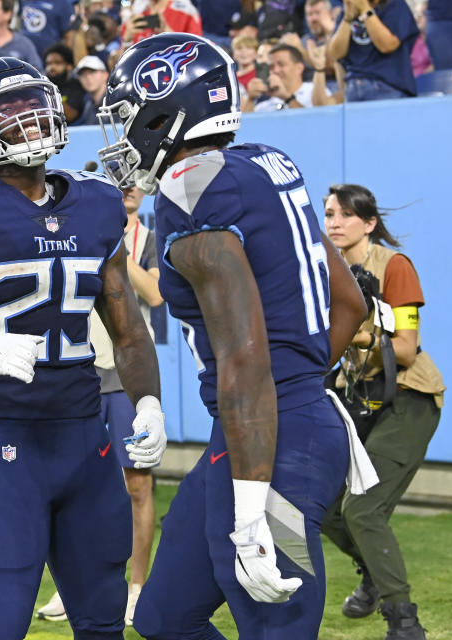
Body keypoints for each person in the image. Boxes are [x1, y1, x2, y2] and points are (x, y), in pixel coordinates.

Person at [95, 33, 373, 639]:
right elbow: (349, 302)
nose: (123, 135)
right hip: (270, 421)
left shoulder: (193, 190)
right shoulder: (266, 164)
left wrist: (252, 511)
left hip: (270, 435)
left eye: (129, 118)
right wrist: (296, 386)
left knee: (276, 629)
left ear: (170, 112)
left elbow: (244, 359)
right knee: (165, 618)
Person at [0, 56, 163, 640]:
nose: (32, 119)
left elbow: (129, 330)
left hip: (87, 442)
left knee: (102, 625)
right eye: (11, 110)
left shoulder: (95, 202)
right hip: (6, 445)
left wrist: (148, 404)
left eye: (36, 103)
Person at [321, 184, 445, 640]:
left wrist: (353, 334)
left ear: (369, 223)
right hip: (357, 399)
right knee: (328, 507)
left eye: (346, 215)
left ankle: (404, 621)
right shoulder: (326, 271)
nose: (334, 222)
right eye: (329, 213)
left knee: (363, 508)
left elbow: (407, 350)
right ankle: (374, 573)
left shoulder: (394, 266)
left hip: (408, 398)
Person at [36, 183, 163, 626]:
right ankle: (71, 585)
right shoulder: (74, 230)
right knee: (72, 485)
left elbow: (155, 294)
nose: (128, 188)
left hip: (126, 380)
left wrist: (114, 244)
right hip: (80, 375)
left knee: (138, 486)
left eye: (135, 182)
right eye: (118, 181)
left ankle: (137, 587)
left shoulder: (146, 238)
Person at [326, 0, 419, 101]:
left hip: (387, 86)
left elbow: (387, 45)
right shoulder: (350, 9)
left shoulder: (395, 5)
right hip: (353, 87)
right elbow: (335, 54)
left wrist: (366, 10)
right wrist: (347, 19)